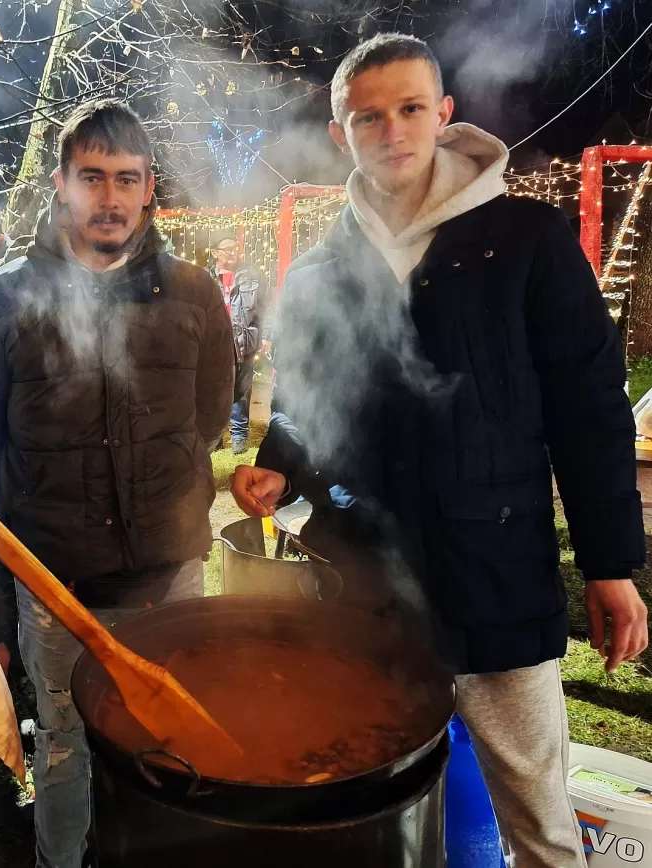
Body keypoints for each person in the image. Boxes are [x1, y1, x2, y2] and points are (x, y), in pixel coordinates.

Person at [232, 33, 648, 868]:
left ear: (445, 114)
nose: (392, 131)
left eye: (411, 108)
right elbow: (311, 398)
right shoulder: (319, 274)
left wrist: (609, 563)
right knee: (365, 805)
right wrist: (279, 454)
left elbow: (589, 407)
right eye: (369, 116)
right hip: (366, 586)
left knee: (538, 821)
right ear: (341, 131)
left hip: (497, 577)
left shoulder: (525, 240)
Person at [0, 98, 234, 868]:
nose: (109, 197)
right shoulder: (3, 297)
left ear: (149, 188)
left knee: (172, 736)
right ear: (61, 184)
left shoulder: (195, 295)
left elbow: (208, 419)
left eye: (126, 178)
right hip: (54, 585)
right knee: (62, 746)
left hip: (171, 573)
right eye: (92, 178)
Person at [208, 235, 271, 453]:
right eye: (227, 249)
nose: (233, 253)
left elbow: (266, 306)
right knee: (214, 392)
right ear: (215, 253)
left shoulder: (252, 275)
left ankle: (239, 436)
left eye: (235, 248)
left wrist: (267, 334)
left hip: (245, 342)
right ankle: (215, 438)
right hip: (215, 345)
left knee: (242, 391)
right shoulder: (205, 279)